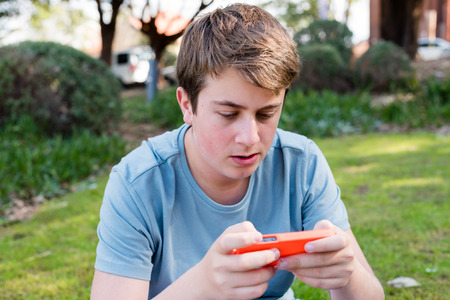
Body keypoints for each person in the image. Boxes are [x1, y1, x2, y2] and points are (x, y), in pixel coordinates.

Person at [90, 3, 384, 300]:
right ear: (186, 105)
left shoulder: (301, 164)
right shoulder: (137, 183)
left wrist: (348, 275)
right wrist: (203, 284)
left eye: (266, 114)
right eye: (229, 114)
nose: (249, 137)